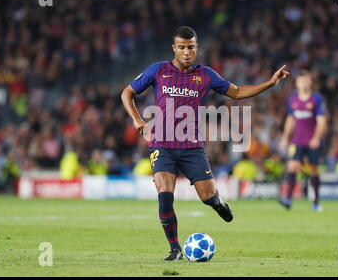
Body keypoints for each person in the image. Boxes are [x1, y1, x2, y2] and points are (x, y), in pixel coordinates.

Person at [121, 26, 289, 261]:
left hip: (191, 147)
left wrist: (270, 83)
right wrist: (137, 119)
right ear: (174, 48)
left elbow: (238, 92)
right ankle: (174, 249)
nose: (186, 52)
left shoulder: (206, 74)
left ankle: (218, 202)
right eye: (181, 48)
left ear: (196, 47)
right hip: (162, 144)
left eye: (190, 47)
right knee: (165, 195)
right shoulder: (158, 70)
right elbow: (127, 93)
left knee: (207, 196)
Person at [278, 70, 327, 212]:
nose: (303, 84)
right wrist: (285, 138)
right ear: (297, 83)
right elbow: (290, 119)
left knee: (313, 170)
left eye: (306, 81)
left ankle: (316, 201)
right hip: (297, 141)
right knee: (292, 166)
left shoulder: (316, 99)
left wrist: (317, 138)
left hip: (312, 141)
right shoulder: (293, 99)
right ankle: (287, 199)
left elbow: (321, 120)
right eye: (301, 81)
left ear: (310, 82)